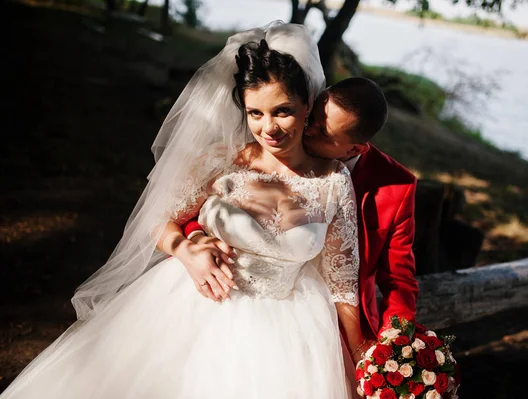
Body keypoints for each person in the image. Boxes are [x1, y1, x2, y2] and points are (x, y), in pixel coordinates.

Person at [0, 22, 363, 398]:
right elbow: (157, 221)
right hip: (193, 308)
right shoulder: (223, 160)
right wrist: (186, 250)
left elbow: (342, 283)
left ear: (308, 106)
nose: (267, 127)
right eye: (255, 113)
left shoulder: (333, 181)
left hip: (290, 325)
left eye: (282, 111)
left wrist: (360, 355)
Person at [182, 76, 419, 356]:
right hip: (223, 296)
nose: (307, 131)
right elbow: (196, 206)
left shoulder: (395, 185)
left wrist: (396, 346)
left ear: (355, 149)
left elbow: (398, 278)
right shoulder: (274, 131)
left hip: (328, 322)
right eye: (312, 119)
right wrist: (194, 237)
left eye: (323, 133)